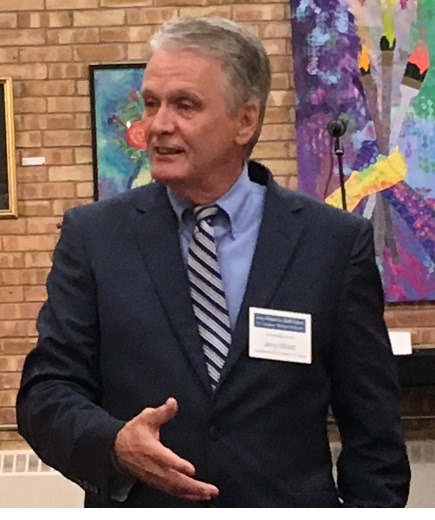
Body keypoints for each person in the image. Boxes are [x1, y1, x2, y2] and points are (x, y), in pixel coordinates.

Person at [16, 17, 410, 508]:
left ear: (245, 121)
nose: (158, 125)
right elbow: (46, 393)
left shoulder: (332, 244)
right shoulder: (94, 238)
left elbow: (374, 431)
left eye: (185, 105)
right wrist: (113, 445)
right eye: (151, 103)